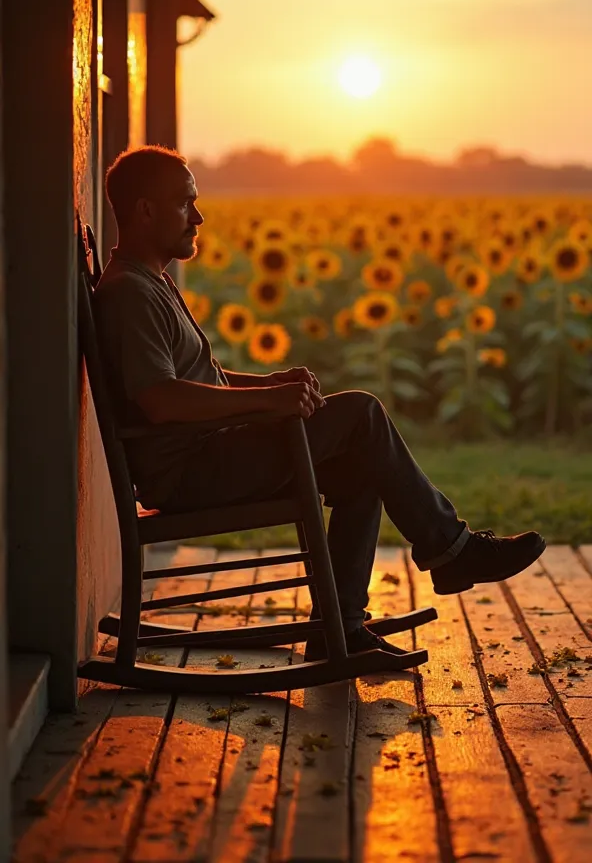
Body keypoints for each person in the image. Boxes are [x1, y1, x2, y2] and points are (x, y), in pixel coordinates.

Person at [94, 145, 546, 660]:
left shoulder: (153, 282)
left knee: (360, 464)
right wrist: (269, 404)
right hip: (191, 472)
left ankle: (341, 631)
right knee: (361, 413)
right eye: (185, 203)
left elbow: (203, 379)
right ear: (145, 210)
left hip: (212, 454)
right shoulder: (130, 292)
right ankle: (451, 550)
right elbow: (161, 399)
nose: (198, 216)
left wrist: (269, 384)